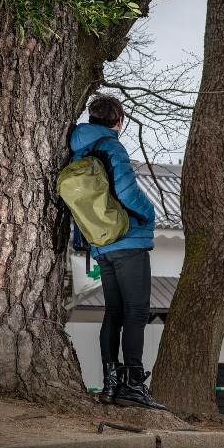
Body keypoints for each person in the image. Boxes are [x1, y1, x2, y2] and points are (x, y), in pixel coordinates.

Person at [69, 95, 165, 410]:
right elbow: (126, 192)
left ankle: (111, 385)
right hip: (128, 240)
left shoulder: (78, 150)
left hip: (102, 245)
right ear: (118, 121)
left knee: (114, 313)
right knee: (136, 313)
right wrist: (149, 212)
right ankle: (134, 386)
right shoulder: (112, 147)